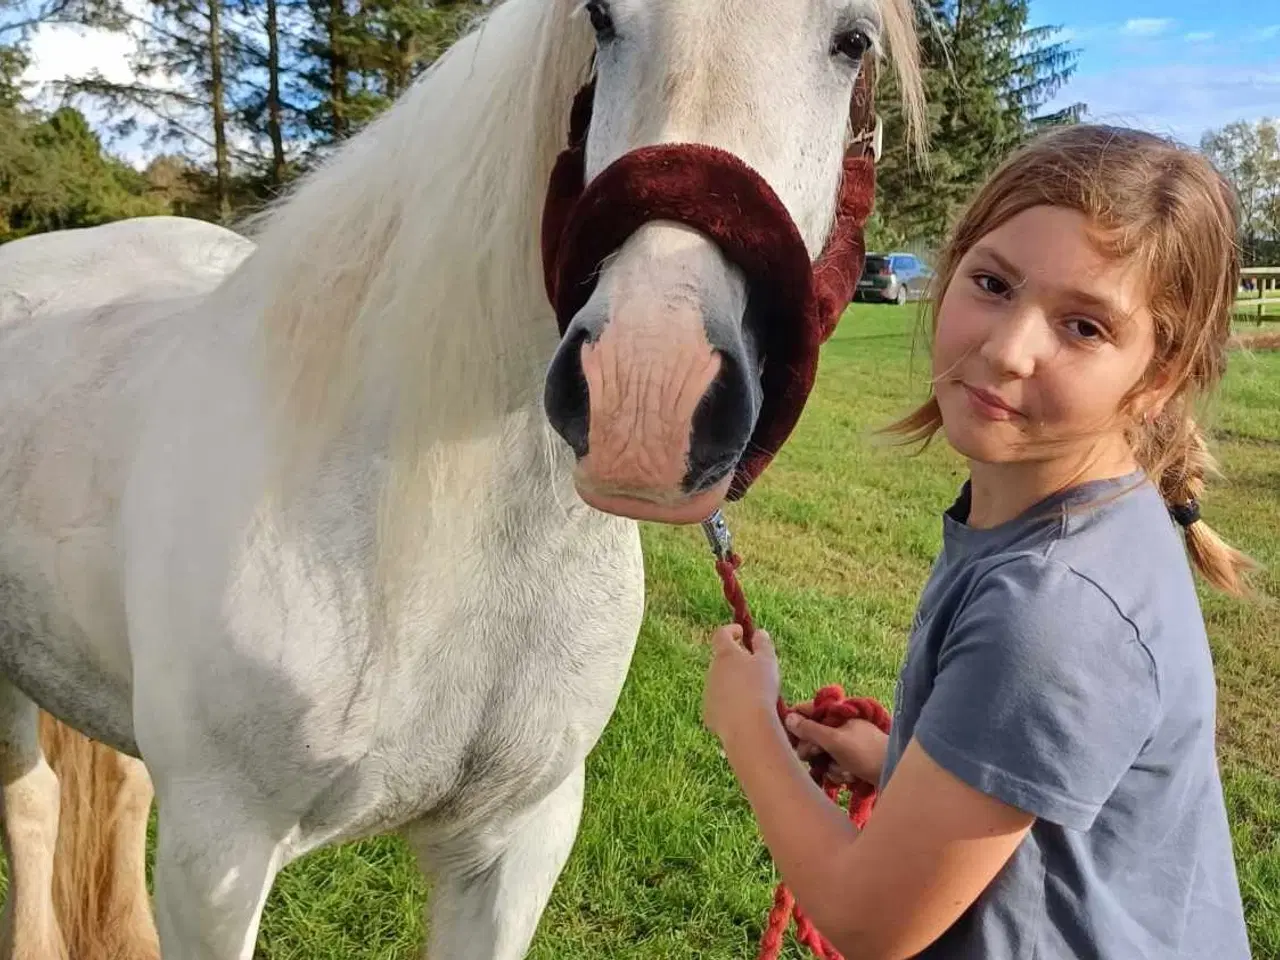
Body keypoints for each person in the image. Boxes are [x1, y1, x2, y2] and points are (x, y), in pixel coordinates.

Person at [702, 123, 1255, 959]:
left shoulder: (1056, 612)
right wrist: (903, 764)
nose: (1006, 350)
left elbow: (867, 920)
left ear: (1159, 378)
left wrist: (746, 724)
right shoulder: (1077, 516)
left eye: (1085, 328)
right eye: (993, 283)